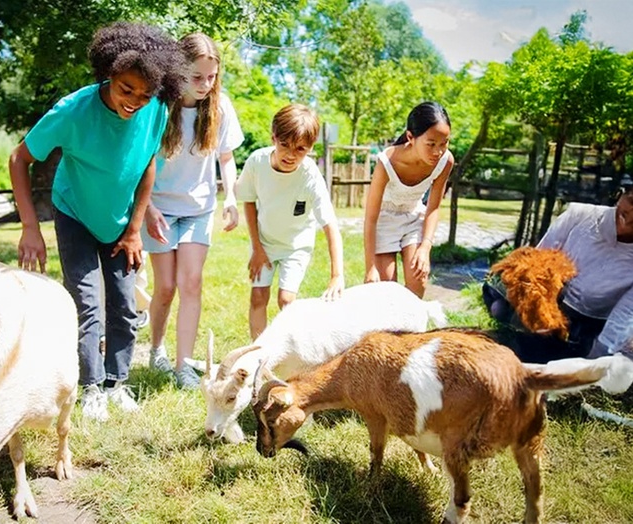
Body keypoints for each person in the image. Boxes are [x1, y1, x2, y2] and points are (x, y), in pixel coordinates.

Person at [7, 22, 186, 422]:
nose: (135, 101)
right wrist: (30, 227)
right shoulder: (73, 110)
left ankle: (115, 384)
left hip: (122, 222)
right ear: (109, 73)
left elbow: (147, 167)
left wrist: (135, 229)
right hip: (74, 214)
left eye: (145, 93)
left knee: (123, 305)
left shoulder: (156, 108)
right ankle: (90, 388)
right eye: (126, 89)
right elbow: (20, 158)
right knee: (87, 304)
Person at [142, 33, 244, 389]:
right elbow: (138, 164)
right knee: (166, 286)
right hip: (158, 209)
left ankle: (184, 365)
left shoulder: (220, 107)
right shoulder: (157, 106)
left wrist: (231, 196)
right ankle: (157, 349)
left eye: (211, 77)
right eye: (196, 77)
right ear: (177, 72)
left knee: (191, 283)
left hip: (199, 210)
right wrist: (148, 207)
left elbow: (227, 158)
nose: (205, 85)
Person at [483, 187, 633, 363]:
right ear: (620, 195)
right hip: (544, 299)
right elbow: (536, 262)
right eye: (632, 201)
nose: (630, 216)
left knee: (557, 353)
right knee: (499, 307)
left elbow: (626, 313)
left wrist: (599, 355)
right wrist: (539, 314)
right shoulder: (579, 215)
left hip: (583, 322)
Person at [235, 104, 344, 340]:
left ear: (310, 148)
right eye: (284, 145)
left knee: (286, 300)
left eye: (300, 149)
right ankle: (259, 353)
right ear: (273, 137)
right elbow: (249, 202)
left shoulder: (310, 175)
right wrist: (257, 248)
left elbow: (330, 225)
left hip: (296, 246)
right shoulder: (257, 162)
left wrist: (337, 275)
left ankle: (290, 350)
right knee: (258, 297)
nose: (291, 154)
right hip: (264, 242)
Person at [363, 101, 455, 298]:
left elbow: (433, 207)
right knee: (386, 291)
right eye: (431, 144)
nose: (438, 151)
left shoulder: (445, 161)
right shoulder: (387, 161)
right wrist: (370, 267)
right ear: (411, 137)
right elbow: (370, 218)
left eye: (444, 143)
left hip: (414, 217)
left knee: (418, 284)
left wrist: (425, 247)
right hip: (384, 220)